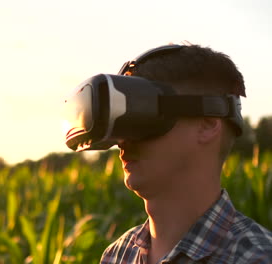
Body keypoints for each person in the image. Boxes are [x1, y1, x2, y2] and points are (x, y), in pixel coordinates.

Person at [99, 44, 272, 263]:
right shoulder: (117, 254)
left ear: (208, 124)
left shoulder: (257, 257)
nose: (124, 140)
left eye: (144, 116)